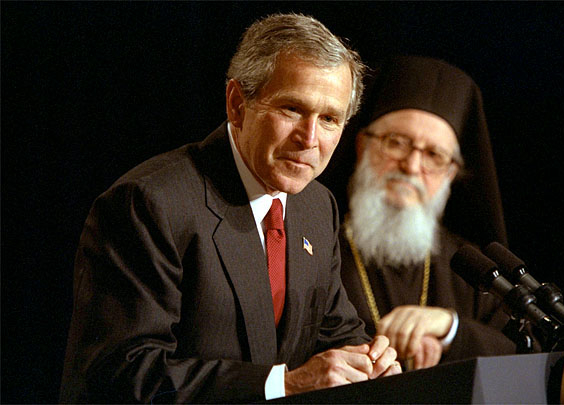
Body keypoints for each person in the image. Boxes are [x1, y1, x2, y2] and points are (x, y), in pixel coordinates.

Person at [60, 13, 401, 403]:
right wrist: (283, 385)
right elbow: (123, 373)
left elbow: (333, 329)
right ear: (237, 104)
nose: (310, 139)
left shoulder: (316, 206)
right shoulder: (150, 205)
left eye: (329, 119)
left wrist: (372, 364)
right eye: (292, 109)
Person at [335, 55, 518, 371]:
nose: (411, 166)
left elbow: (524, 355)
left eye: (433, 154)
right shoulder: (315, 245)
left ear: (450, 174)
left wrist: (451, 331)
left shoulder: (473, 269)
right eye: (396, 143)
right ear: (362, 146)